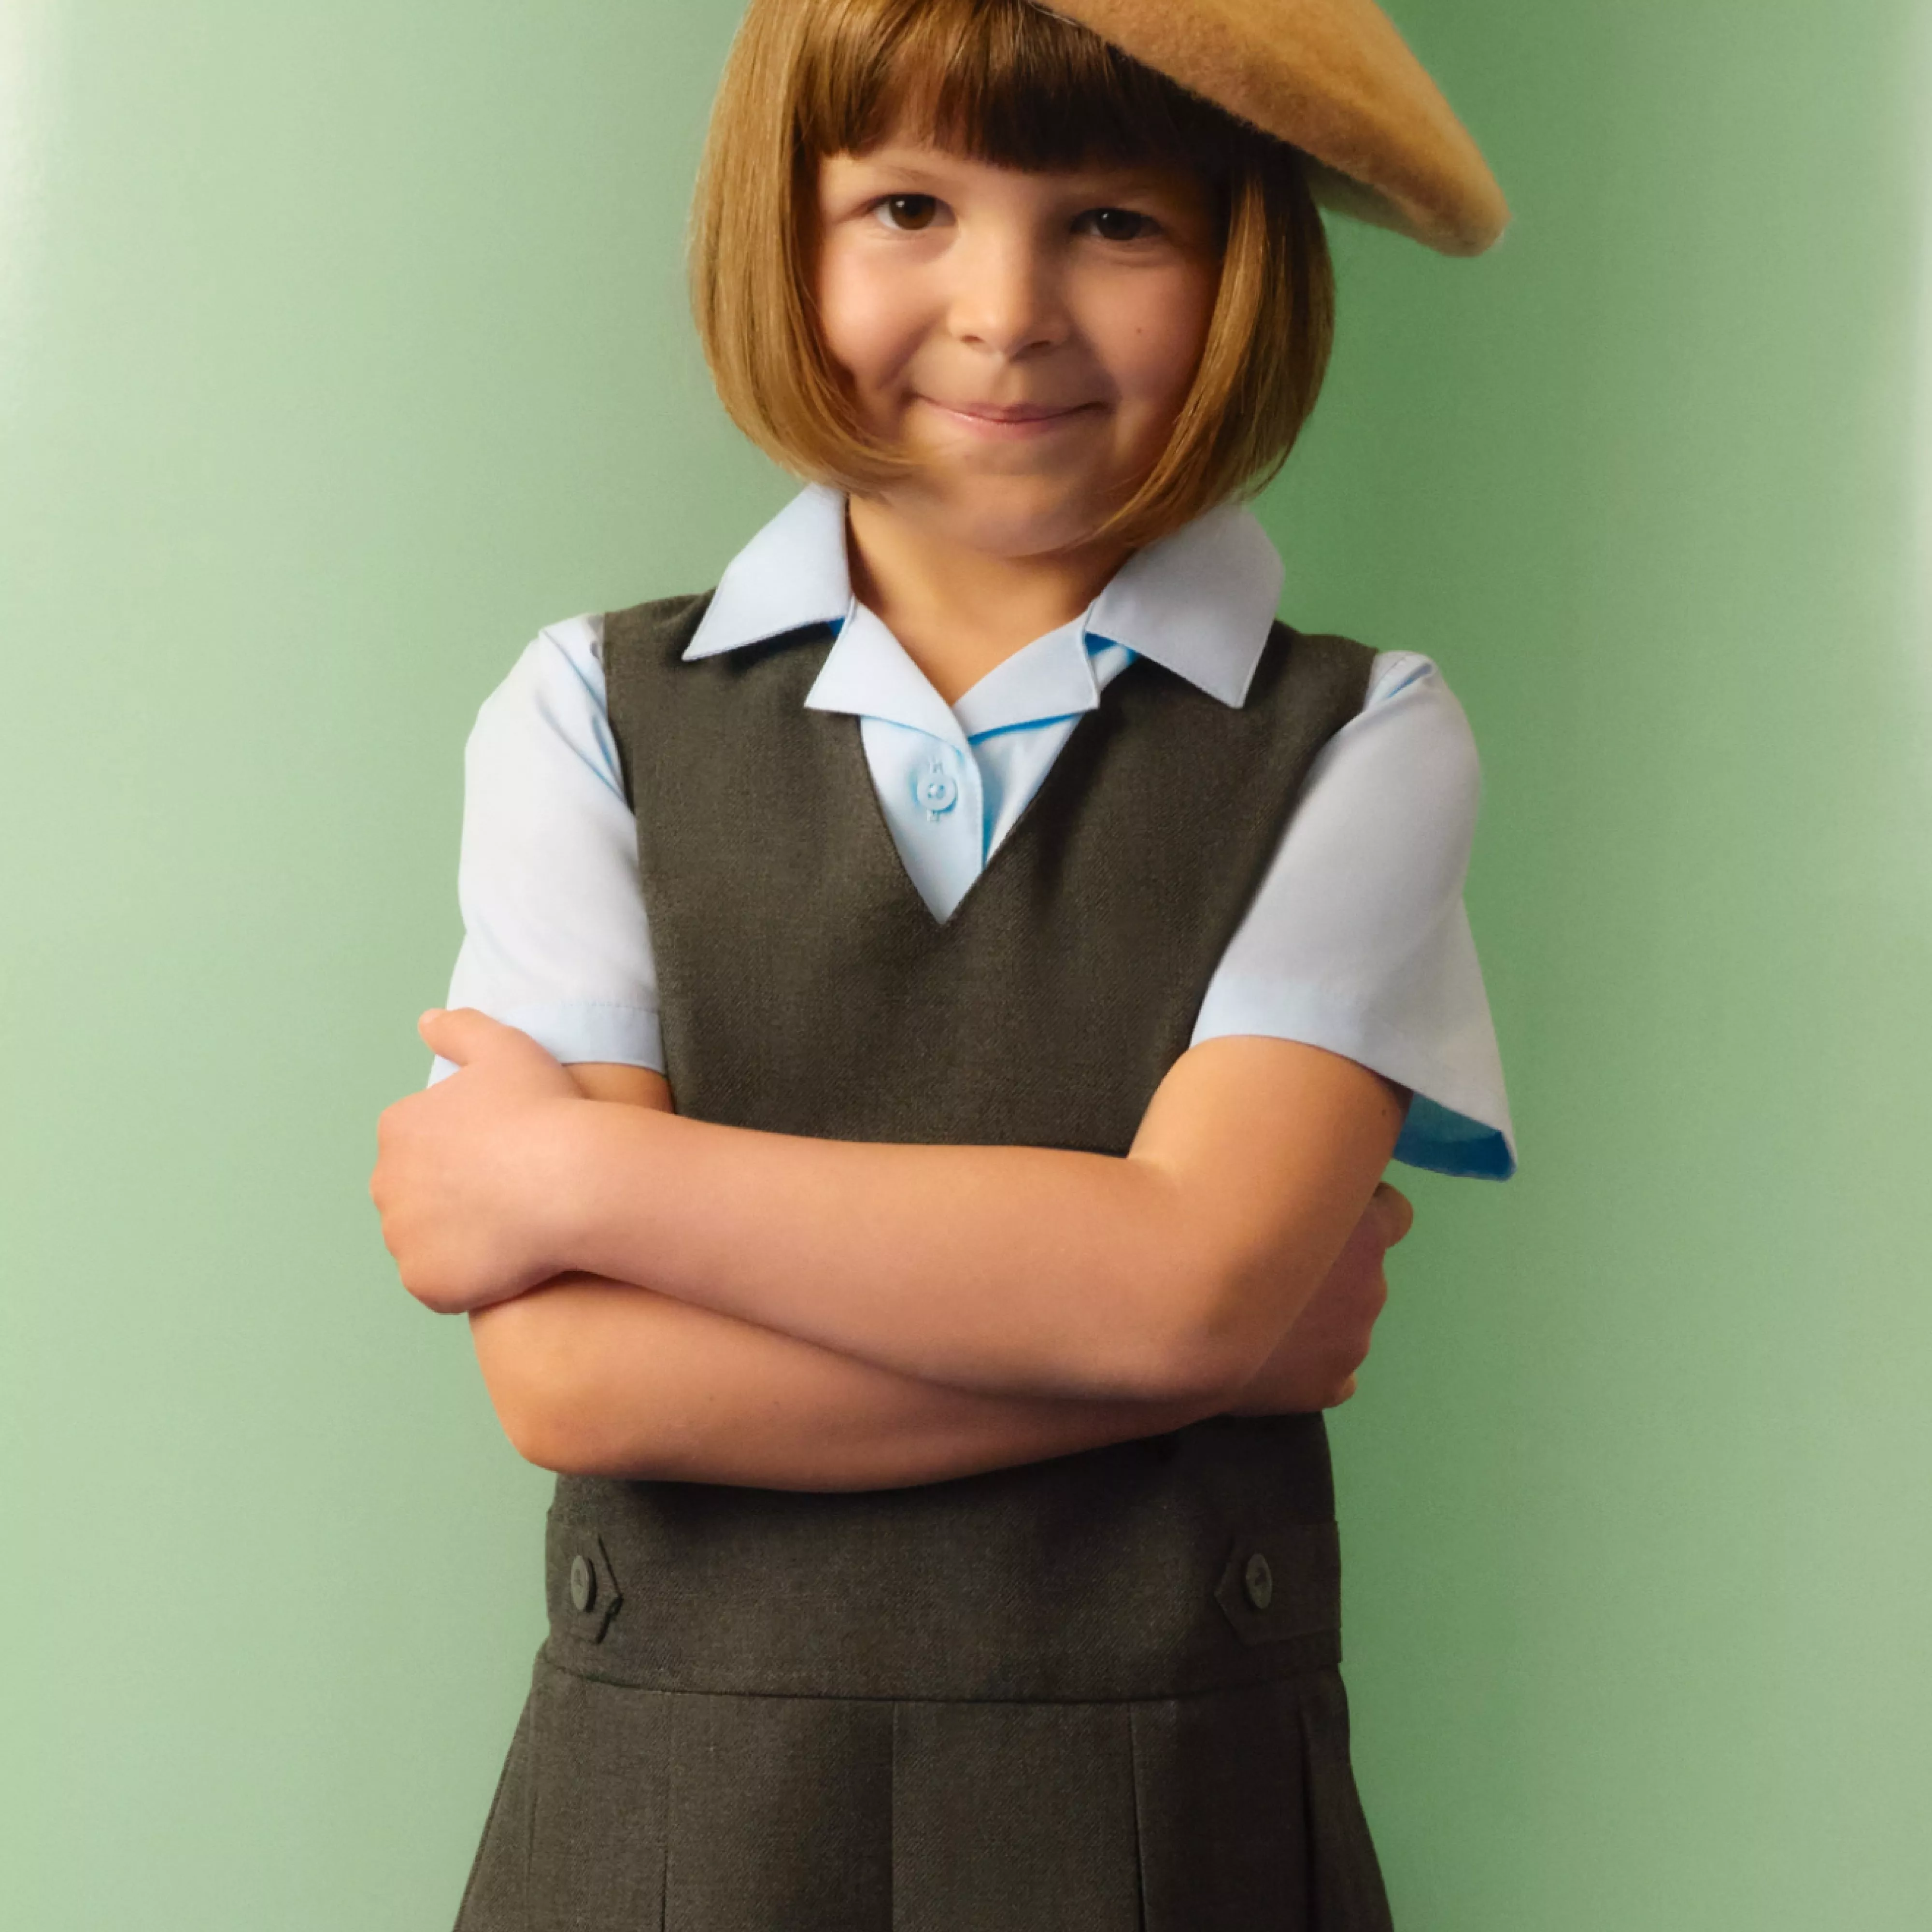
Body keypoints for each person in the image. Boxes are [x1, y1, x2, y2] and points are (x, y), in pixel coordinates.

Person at [369, 0, 1516, 1924]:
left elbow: (1180, 1288)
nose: (1007, 307)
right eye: (909, 205)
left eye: (1115, 222)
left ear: (1245, 254)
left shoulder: (1362, 738)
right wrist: (1195, 1348)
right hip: (666, 1829)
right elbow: (573, 1376)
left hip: (1168, 1826)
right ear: (784, 226)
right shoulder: (589, 710)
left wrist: (587, 1175)